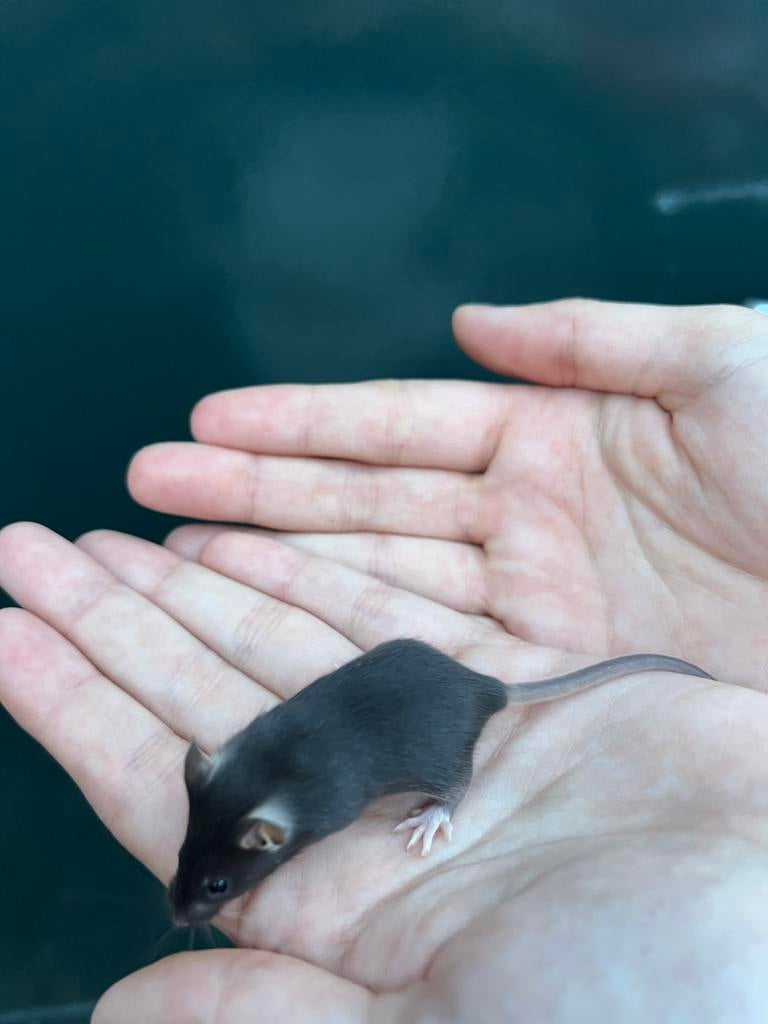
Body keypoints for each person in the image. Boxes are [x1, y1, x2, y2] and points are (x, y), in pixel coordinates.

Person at [1, 299, 767, 1023]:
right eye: (204, 886)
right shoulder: (241, 775)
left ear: (267, 842)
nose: (195, 904)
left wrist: (439, 806)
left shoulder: (304, 813)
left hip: (431, 712)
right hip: (401, 684)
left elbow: (313, 809)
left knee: (432, 765)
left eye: (214, 889)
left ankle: (447, 797)